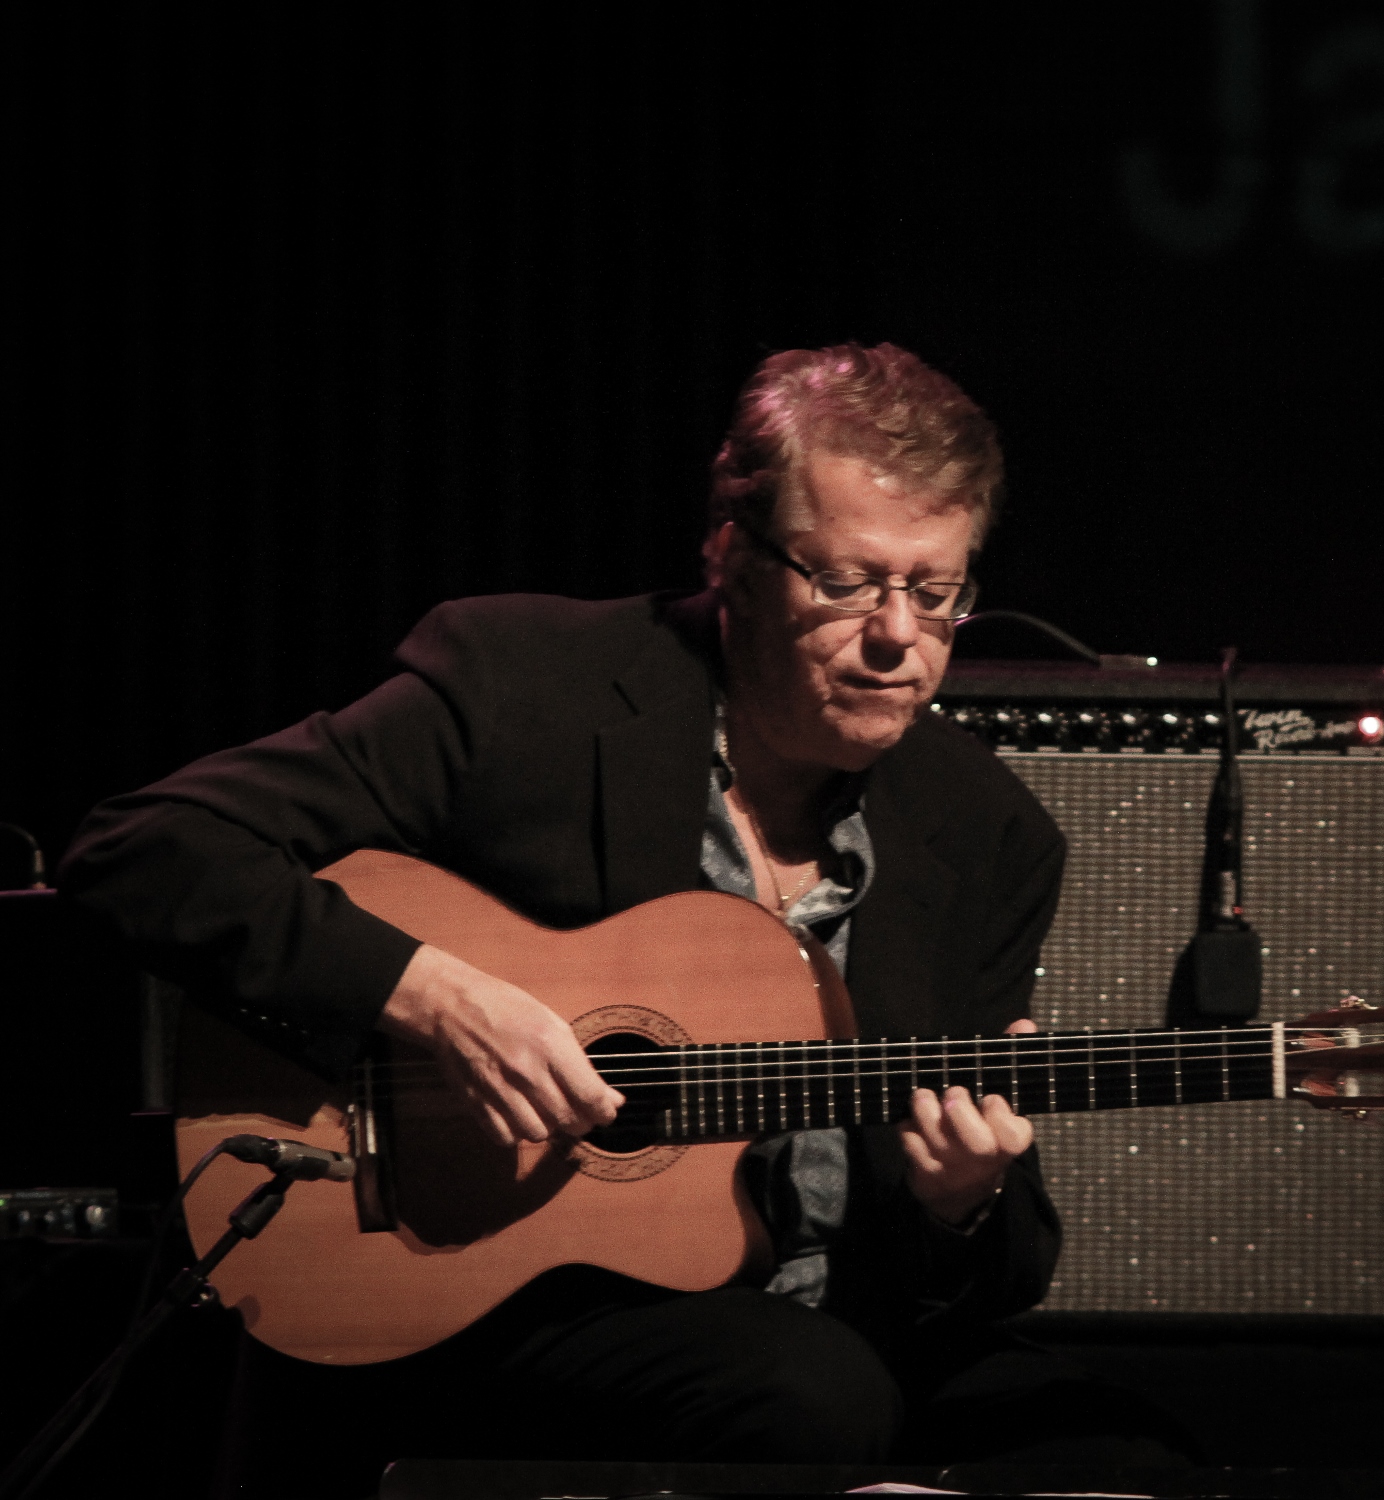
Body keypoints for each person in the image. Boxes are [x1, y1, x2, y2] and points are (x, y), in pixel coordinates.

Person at [61, 343, 1078, 1489]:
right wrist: (432, 996)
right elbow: (143, 849)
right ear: (731, 557)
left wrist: (964, 1203)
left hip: (826, 1328)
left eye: (934, 592)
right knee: (814, 1396)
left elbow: (1005, 1261)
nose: (898, 638)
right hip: (478, 1288)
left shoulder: (989, 832)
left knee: (1115, 1438)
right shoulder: (525, 686)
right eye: (844, 584)